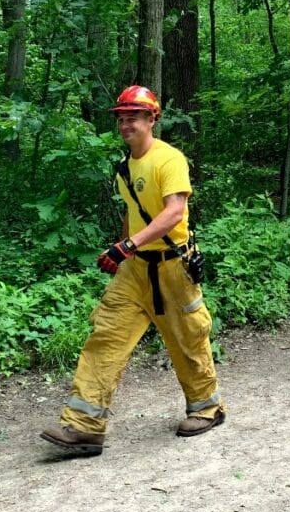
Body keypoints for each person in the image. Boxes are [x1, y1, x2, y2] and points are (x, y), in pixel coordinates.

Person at [40, 85, 224, 455]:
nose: (126, 124)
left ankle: (206, 409)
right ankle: (85, 427)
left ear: (152, 119)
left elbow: (173, 212)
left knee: (187, 340)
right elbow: (133, 211)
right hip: (136, 269)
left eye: (134, 117)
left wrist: (129, 244)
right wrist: (123, 250)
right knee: (105, 336)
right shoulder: (125, 167)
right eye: (122, 118)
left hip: (174, 268)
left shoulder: (169, 159)